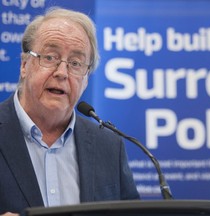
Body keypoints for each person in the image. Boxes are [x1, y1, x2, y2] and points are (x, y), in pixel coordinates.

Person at [0, 7, 139, 215]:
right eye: (49, 57)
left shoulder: (109, 147)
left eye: (75, 63)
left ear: (86, 79)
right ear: (24, 65)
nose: (62, 73)